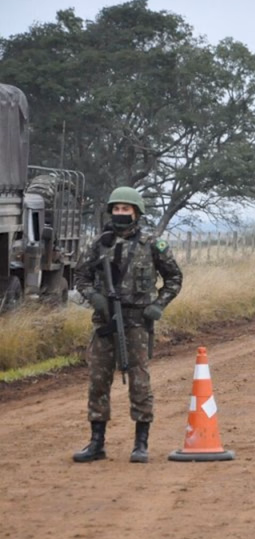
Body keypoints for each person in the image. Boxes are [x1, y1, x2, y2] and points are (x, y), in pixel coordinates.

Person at [72, 186, 183, 463]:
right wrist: (95, 297)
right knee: (98, 381)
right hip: (104, 323)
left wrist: (159, 305)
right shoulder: (100, 243)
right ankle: (96, 442)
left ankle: (141, 443)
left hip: (137, 323)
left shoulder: (151, 243)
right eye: (117, 209)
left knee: (140, 382)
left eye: (126, 209)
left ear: (136, 212)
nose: (121, 213)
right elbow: (81, 276)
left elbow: (174, 278)